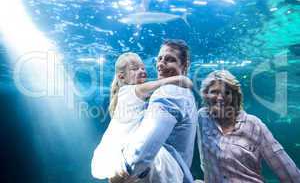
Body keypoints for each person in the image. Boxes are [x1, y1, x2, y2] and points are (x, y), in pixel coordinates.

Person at [91, 52, 193, 182]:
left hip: (124, 143)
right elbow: (158, 84)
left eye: (143, 68)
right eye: (135, 69)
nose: (141, 71)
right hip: (124, 145)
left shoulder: (127, 93)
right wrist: (181, 79)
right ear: (122, 77)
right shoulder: (132, 91)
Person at [197, 70, 300, 182]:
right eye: (214, 92)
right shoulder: (203, 117)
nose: (220, 98)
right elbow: (204, 160)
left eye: (226, 92)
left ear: (234, 96)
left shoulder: (254, 125)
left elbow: (283, 165)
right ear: (205, 95)